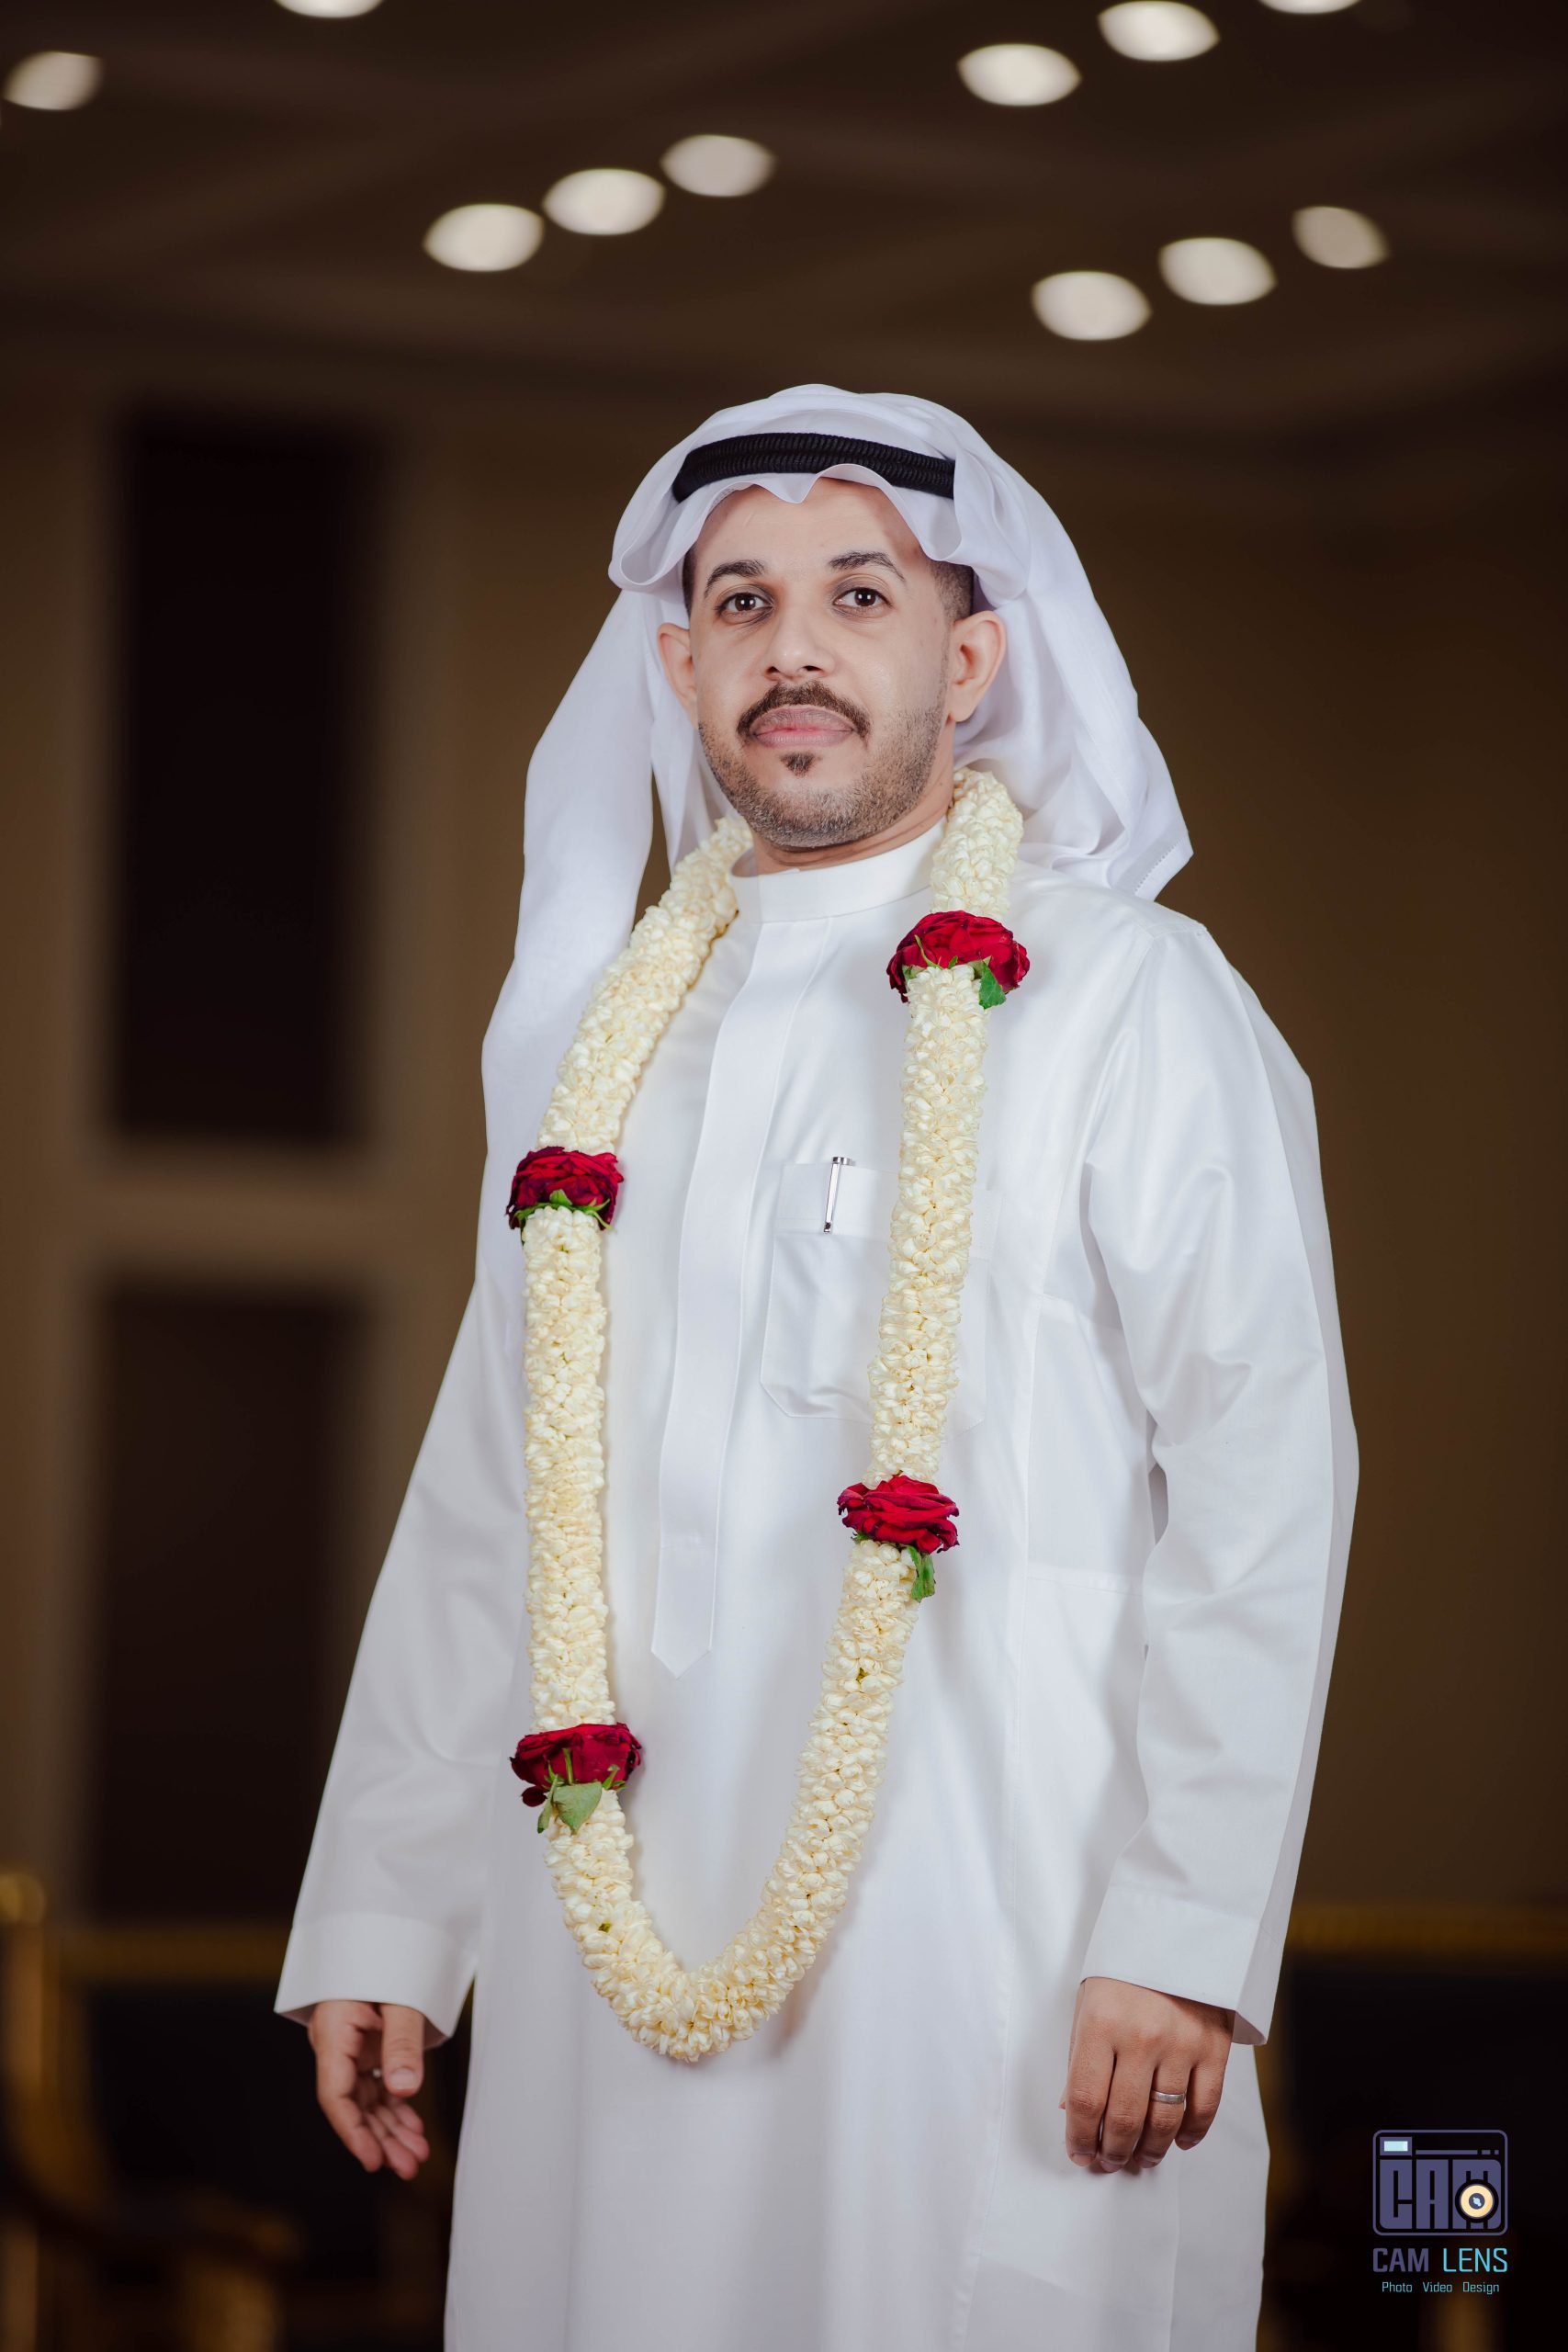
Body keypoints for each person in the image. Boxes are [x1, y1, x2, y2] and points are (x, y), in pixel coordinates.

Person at [276, 385, 1357, 2352]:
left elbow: (1263, 1480)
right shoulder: (606, 1041)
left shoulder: (1128, 996)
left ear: (971, 660)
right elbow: (498, 1494)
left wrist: (1185, 1931)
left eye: (859, 594)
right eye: (742, 600)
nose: (794, 646)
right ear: (677, 667)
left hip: (1007, 1942)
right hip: (605, 1949)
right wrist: (389, 1910)